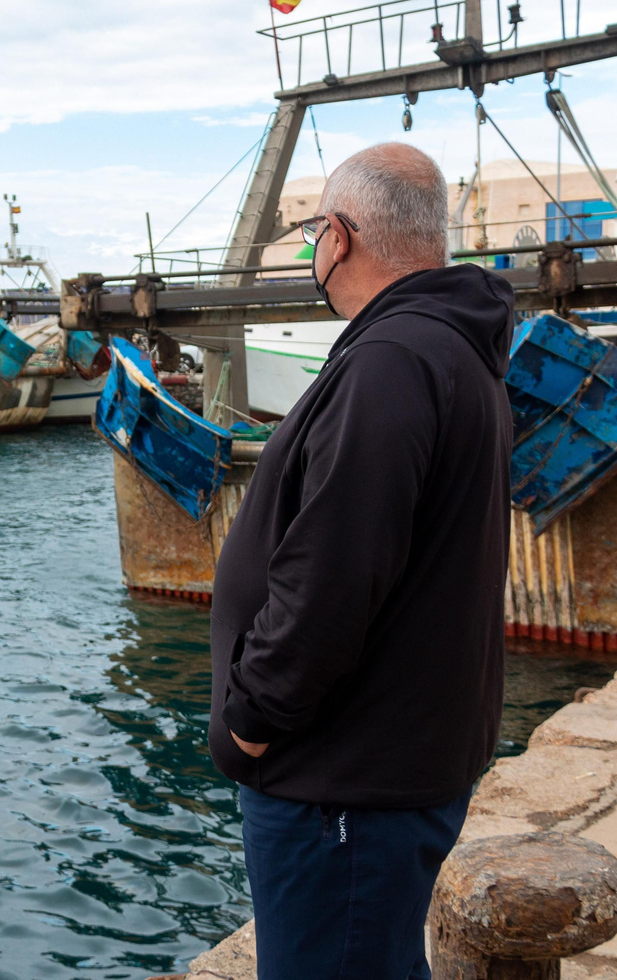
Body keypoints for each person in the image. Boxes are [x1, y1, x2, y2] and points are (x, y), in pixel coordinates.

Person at [208, 142, 515, 980]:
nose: (315, 248)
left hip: (343, 785)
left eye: (314, 232)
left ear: (338, 237)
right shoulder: (450, 351)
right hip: (391, 768)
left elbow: (330, 582)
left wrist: (248, 725)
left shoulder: (390, 362)